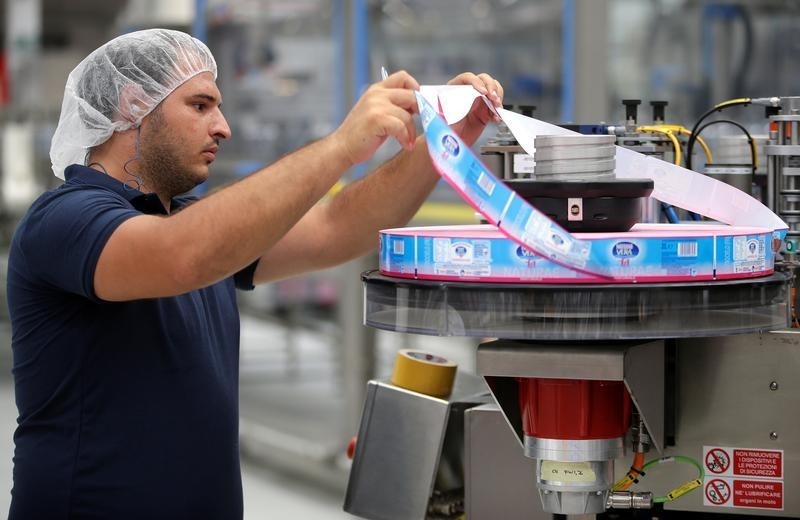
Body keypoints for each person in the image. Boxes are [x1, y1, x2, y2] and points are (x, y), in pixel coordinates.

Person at [5, 28, 503, 519]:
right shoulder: (64, 220)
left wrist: (446, 143)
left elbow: (336, 226)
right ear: (133, 105)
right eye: (200, 106)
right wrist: (340, 146)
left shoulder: (183, 220)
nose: (222, 127)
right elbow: (183, 255)